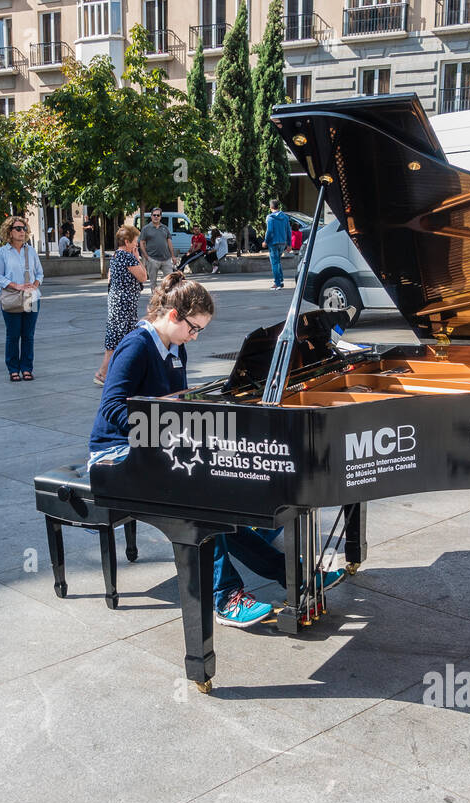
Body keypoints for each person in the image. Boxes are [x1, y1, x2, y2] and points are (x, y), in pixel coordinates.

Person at [87, 273, 342, 627]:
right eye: (194, 328)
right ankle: (226, 597)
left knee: (218, 492)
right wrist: (161, 416)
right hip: (115, 454)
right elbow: (111, 411)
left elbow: (179, 404)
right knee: (199, 499)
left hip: (156, 447)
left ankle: (289, 577)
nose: (195, 336)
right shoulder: (136, 346)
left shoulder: (176, 347)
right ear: (174, 315)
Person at [94, 224, 148, 386]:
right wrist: (137, 257)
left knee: (116, 338)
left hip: (116, 302)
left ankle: (112, 373)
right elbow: (143, 277)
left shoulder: (116, 256)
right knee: (122, 339)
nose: (136, 244)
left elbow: (110, 279)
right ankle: (104, 373)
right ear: (126, 241)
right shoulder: (128, 256)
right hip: (124, 305)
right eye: (135, 241)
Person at [0, 214, 43, 381]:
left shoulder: (31, 251)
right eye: (18, 228)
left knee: (28, 335)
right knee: (13, 335)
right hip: (12, 297)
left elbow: (40, 273)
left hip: (31, 297)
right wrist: (17, 286)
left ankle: (27, 368)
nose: (22, 232)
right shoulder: (2, 252)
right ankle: (13, 369)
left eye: (24, 229)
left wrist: (35, 284)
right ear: (10, 231)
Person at [139, 207, 177, 292]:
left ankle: (168, 297)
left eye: (158, 215)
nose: (156, 217)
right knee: (153, 282)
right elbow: (141, 243)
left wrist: (173, 256)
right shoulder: (146, 228)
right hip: (152, 259)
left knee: (170, 281)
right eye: (154, 215)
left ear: (160, 217)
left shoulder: (165, 228)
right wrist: (146, 257)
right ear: (151, 216)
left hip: (166, 259)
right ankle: (155, 300)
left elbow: (169, 242)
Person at [262, 199, 292, 290]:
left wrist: (265, 241)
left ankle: (277, 283)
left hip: (273, 243)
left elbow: (269, 231)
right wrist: (289, 244)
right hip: (282, 243)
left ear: (271, 207)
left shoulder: (270, 217)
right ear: (278, 207)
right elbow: (288, 231)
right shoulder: (285, 217)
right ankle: (281, 281)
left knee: (274, 263)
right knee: (278, 261)